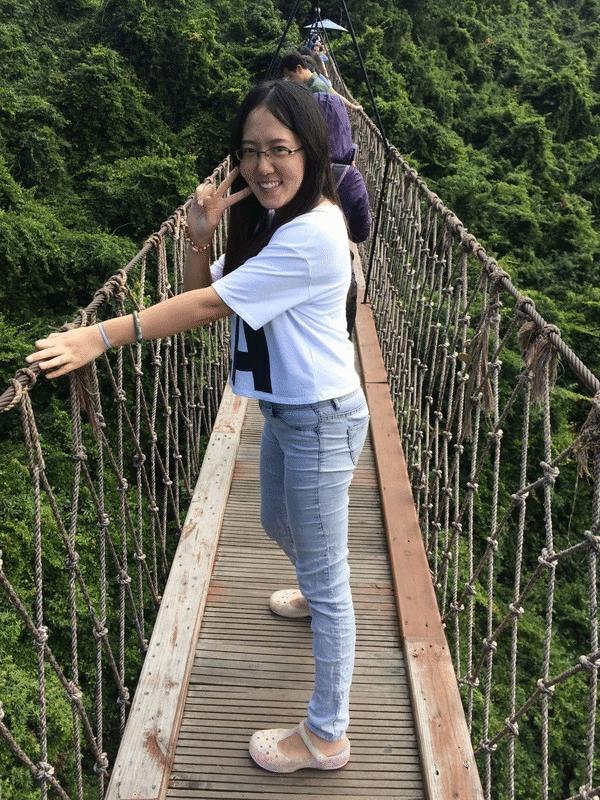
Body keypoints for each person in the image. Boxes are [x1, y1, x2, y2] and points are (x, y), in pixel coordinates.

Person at [26, 80, 369, 775]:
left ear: (312, 150)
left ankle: (327, 734)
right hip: (285, 410)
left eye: (279, 149)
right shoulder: (273, 221)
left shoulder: (312, 233)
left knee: (330, 580)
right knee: (275, 522)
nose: (262, 167)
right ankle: (317, 586)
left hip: (321, 420)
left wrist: (100, 336)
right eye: (249, 151)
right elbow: (201, 290)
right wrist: (201, 235)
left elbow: (210, 308)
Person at [280, 50, 362, 112]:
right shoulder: (317, 79)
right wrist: (352, 106)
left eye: (290, 76)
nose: (290, 80)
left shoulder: (316, 89)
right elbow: (334, 93)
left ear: (298, 69)